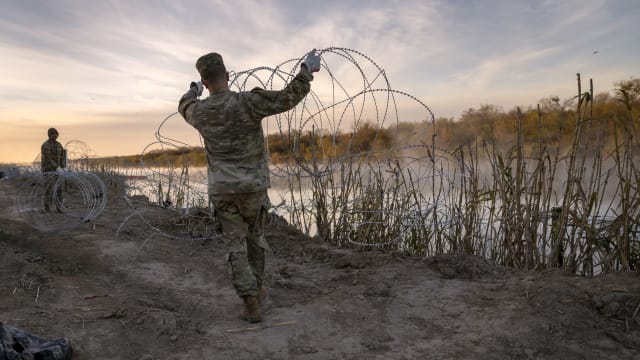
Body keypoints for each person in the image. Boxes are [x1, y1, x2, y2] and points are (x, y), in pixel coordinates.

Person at [178, 50, 321, 323]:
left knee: (235, 246)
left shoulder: (199, 112)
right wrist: (306, 70)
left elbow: (183, 104)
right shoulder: (248, 103)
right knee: (255, 239)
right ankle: (257, 287)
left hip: (223, 191)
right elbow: (288, 97)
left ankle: (250, 301)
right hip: (253, 188)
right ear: (228, 76)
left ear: (205, 82)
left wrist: (192, 90)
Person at [40, 127, 65, 212]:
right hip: (48, 171)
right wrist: (56, 167)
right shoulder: (45, 145)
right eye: (53, 135)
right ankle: (47, 208)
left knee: (59, 189)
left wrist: (63, 167)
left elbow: (62, 157)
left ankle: (59, 208)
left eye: (56, 135)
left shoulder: (59, 145)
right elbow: (48, 159)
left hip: (59, 171)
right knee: (49, 189)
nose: (55, 136)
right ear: (49, 135)